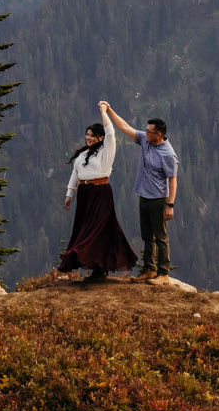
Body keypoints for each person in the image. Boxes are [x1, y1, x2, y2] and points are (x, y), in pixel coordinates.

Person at [56, 100, 137, 281]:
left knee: (95, 229)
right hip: (85, 194)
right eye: (87, 135)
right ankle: (96, 268)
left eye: (92, 135)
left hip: (100, 192)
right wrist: (70, 194)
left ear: (100, 137)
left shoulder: (106, 151)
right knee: (86, 227)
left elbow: (111, 133)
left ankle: (93, 263)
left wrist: (104, 112)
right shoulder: (83, 154)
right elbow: (76, 173)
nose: (89, 138)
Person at [104, 104, 178, 280]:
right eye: (145, 130)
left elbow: (173, 180)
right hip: (144, 196)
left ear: (158, 135)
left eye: (149, 131)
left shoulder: (168, 154)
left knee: (160, 237)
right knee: (147, 236)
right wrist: (109, 110)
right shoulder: (145, 140)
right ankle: (149, 270)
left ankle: (163, 273)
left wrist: (170, 205)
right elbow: (124, 127)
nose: (145, 132)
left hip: (159, 199)